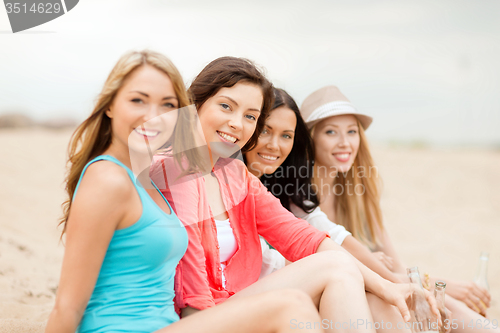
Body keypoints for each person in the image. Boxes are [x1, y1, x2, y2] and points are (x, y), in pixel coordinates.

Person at [44, 50, 328, 333]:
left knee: (301, 300)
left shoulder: (147, 180)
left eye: (167, 105)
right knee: (292, 306)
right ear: (109, 105)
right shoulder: (109, 179)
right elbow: (67, 306)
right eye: (137, 100)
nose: (153, 116)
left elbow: (300, 234)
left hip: (166, 325)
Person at [151, 57, 441, 331]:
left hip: (234, 304)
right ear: (196, 104)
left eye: (250, 116)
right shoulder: (173, 167)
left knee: (366, 288)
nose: (238, 123)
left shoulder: (235, 176)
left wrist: (387, 286)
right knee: (334, 268)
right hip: (199, 317)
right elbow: (190, 283)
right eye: (226, 107)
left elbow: (304, 237)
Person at [298, 85, 497, 333]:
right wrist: (439, 284)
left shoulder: (357, 195)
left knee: (443, 304)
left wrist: (438, 287)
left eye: (352, 132)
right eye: (331, 132)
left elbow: (397, 268)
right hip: (328, 299)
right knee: (385, 300)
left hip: (379, 287)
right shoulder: (299, 198)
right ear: (309, 138)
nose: (345, 142)